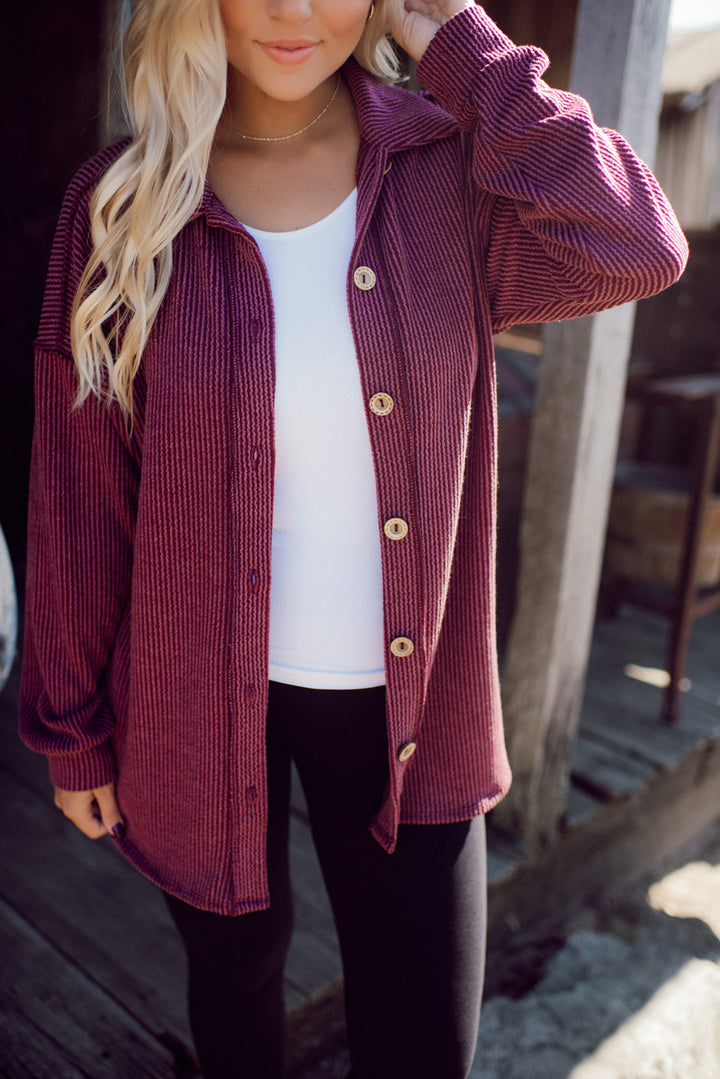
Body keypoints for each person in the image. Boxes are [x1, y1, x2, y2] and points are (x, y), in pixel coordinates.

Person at [19, 1, 687, 1076]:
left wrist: (461, 47)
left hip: (417, 709)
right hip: (189, 696)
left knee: (423, 1038)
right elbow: (80, 489)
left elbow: (635, 244)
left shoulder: (446, 173)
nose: (294, 12)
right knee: (238, 974)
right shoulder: (118, 204)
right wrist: (71, 723)